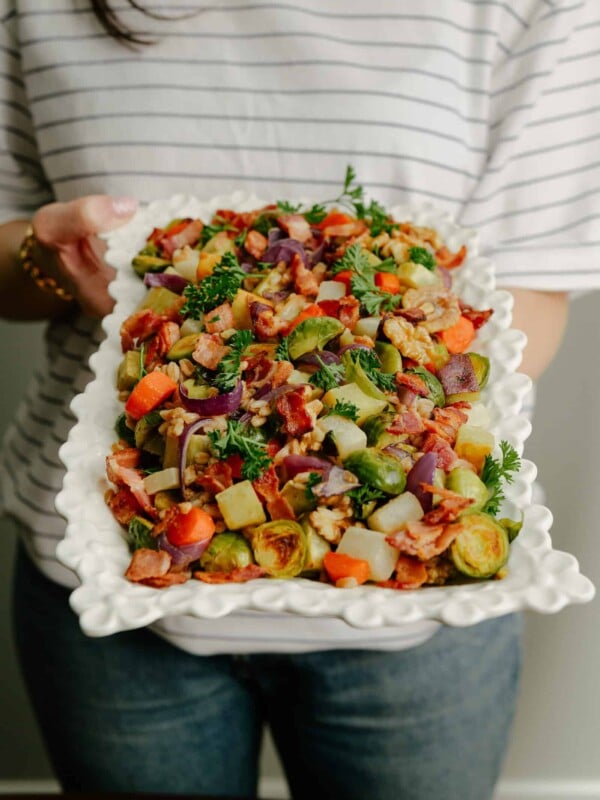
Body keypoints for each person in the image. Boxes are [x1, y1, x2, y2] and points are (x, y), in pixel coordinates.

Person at [0, 1, 598, 798]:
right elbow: (10, 256)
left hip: (422, 632)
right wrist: (48, 257)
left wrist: (392, 387)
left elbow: (529, 283)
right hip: (104, 581)